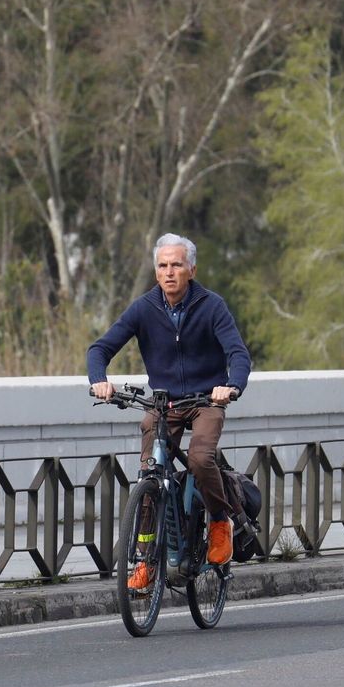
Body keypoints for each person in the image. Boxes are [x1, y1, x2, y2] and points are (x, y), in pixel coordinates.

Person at [88, 233, 252, 586]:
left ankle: (220, 521)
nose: (169, 272)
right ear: (155, 271)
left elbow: (238, 354)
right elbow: (100, 348)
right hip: (165, 403)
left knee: (199, 458)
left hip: (206, 400)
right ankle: (145, 558)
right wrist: (100, 380)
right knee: (151, 472)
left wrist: (231, 387)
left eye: (177, 265)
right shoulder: (143, 308)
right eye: (163, 265)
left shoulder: (212, 306)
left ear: (191, 269)